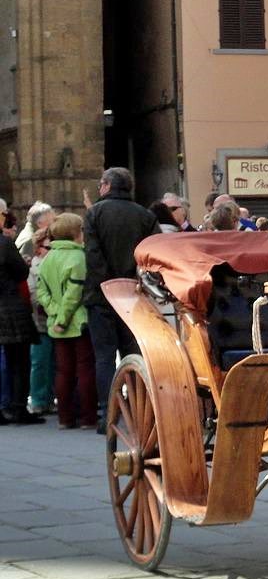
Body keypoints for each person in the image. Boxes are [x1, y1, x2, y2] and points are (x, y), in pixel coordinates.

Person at [84, 167, 160, 431]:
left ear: (106, 185)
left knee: (104, 357)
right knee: (134, 352)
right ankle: (139, 411)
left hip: (102, 295)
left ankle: (108, 414)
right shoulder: (145, 215)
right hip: (135, 294)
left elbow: (93, 255)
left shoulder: (95, 213)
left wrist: (107, 284)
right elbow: (153, 253)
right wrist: (134, 281)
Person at [35, 213, 97, 429]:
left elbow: (41, 292)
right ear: (75, 232)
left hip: (56, 324)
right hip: (78, 322)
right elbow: (74, 294)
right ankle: (88, 417)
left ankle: (65, 418)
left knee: (63, 371)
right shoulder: (78, 257)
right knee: (85, 369)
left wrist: (54, 314)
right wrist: (63, 317)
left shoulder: (47, 258)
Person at [0, 218, 41, 424]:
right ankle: (18, 408)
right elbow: (21, 272)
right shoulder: (4, 243)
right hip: (8, 307)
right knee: (18, 360)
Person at [25, 228, 55, 416]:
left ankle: (49, 398)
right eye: (47, 247)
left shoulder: (52, 264)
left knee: (54, 362)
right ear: (38, 248)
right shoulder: (34, 267)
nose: (50, 251)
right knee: (39, 362)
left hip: (54, 320)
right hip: (40, 321)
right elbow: (32, 293)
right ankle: (37, 399)